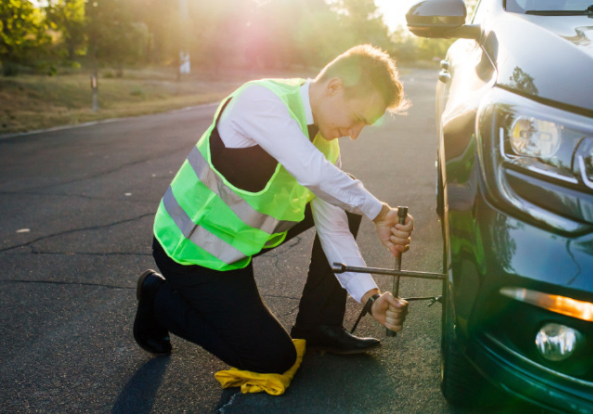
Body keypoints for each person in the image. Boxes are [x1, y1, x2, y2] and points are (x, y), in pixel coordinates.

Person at [132, 44, 413, 374]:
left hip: (235, 251)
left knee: (342, 197)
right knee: (271, 359)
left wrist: (370, 298)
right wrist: (380, 212)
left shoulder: (326, 142)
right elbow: (313, 172)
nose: (354, 134)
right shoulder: (260, 101)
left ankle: (318, 326)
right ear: (334, 87)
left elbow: (334, 229)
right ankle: (156, 297)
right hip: (189, 252)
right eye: (357, 119)